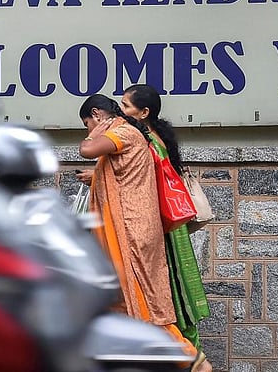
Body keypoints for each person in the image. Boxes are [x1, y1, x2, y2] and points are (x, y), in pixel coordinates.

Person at [77, 94, 207, 372]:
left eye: (87, 123)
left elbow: (86, 150)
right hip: (129, 229)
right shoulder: (129, 134)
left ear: (97, 115)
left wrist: (93, 135)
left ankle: (190, 359)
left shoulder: (123, 132)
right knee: (123, 301)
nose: (88, 130)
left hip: (132, 231)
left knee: (142, 301)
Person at [121, 84, 212, 372]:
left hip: (162, 226)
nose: (120, 111)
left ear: (143, 112)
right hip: (171, 224)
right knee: (176, 292)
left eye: (126, 106)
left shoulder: (146, 142)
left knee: (170, 293)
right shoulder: (157, 137)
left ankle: (192, 357)